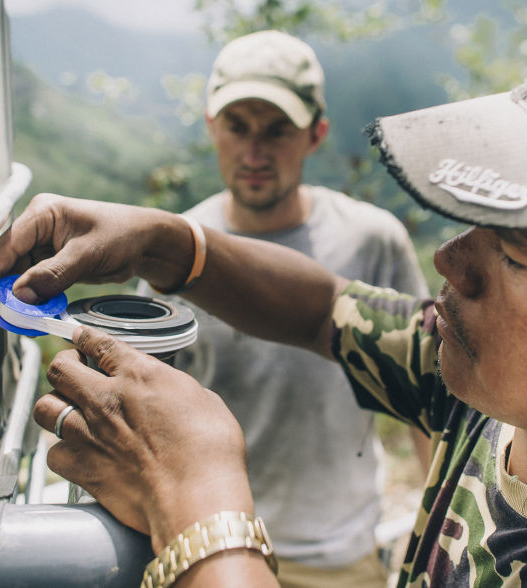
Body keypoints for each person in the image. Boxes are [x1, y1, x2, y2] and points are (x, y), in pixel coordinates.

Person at [0, 0, 527, 586]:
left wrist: (198, 506)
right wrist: (171, 241)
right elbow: (322, 309)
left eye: (516, 254)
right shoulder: (512, 396)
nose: (451, 261)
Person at [134, 30, 431, 588]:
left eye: (277, 131)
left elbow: (427, 390)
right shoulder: (174, 255)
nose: (254, 153)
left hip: (339, 559)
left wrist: (438, 532)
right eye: (237, 128)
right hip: (211, 545)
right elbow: (146, 420)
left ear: (315, 134)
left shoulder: (370, 241)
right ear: (210, 127)